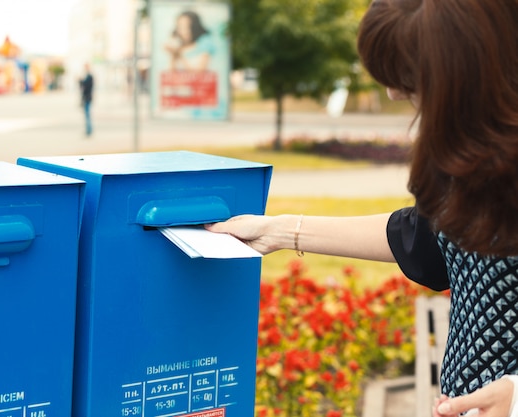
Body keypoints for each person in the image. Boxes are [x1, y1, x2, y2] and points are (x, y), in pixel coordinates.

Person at [206, 0, 518, 415]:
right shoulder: (484, 151)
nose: (393, 92)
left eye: (409, 74)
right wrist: (278, 230)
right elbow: (423, 237)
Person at [79, 63, 94, 137]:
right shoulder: (87, 77)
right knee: (86, 114)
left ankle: (89, 130)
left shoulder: (89, 77)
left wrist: (81, 81)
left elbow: (86, 86)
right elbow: (82, 87)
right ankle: (88, 129)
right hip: (86, 98)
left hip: (87, 97)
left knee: (87, 114)